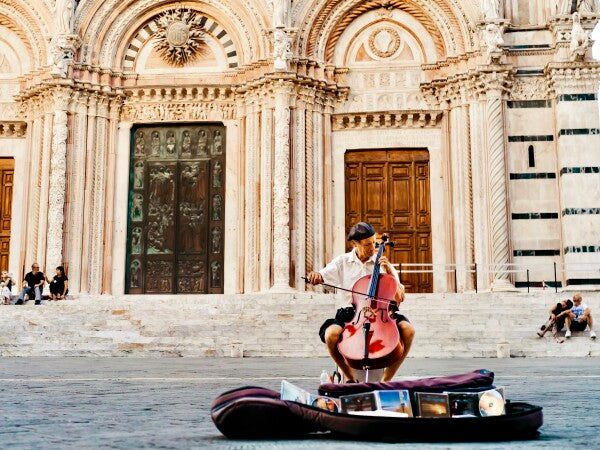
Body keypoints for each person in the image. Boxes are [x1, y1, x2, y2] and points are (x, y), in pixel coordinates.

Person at [307, 222, 415, 383]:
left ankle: (386, 380)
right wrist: (316, 276)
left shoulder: (382, 264)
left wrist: (390, 272)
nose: (373, 248)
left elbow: (400, 297)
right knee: (331, 335)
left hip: (380, 313)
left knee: (408, 331)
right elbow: (322, 275)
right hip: (351, 314)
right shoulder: (342, 262)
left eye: (374, 242)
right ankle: (350, 377)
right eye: (367, 244)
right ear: (354, 244)